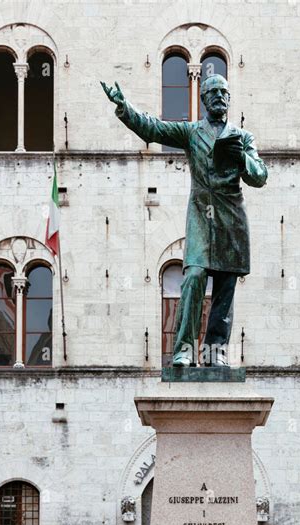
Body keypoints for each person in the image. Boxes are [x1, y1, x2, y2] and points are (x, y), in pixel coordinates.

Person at [100, 75, 268, 367]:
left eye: (223, 92)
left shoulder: (243, 137)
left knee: (226, 288)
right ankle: (184, 350)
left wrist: (242, 159)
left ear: (229, 99)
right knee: (193, 277)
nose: (219, 96)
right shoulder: (191, 133)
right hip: (202, 216)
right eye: (213, 92)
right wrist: (124, 108)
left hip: (232, 219)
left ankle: (215, 353)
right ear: (203, 99)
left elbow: (260, 177)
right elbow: (153, 128)